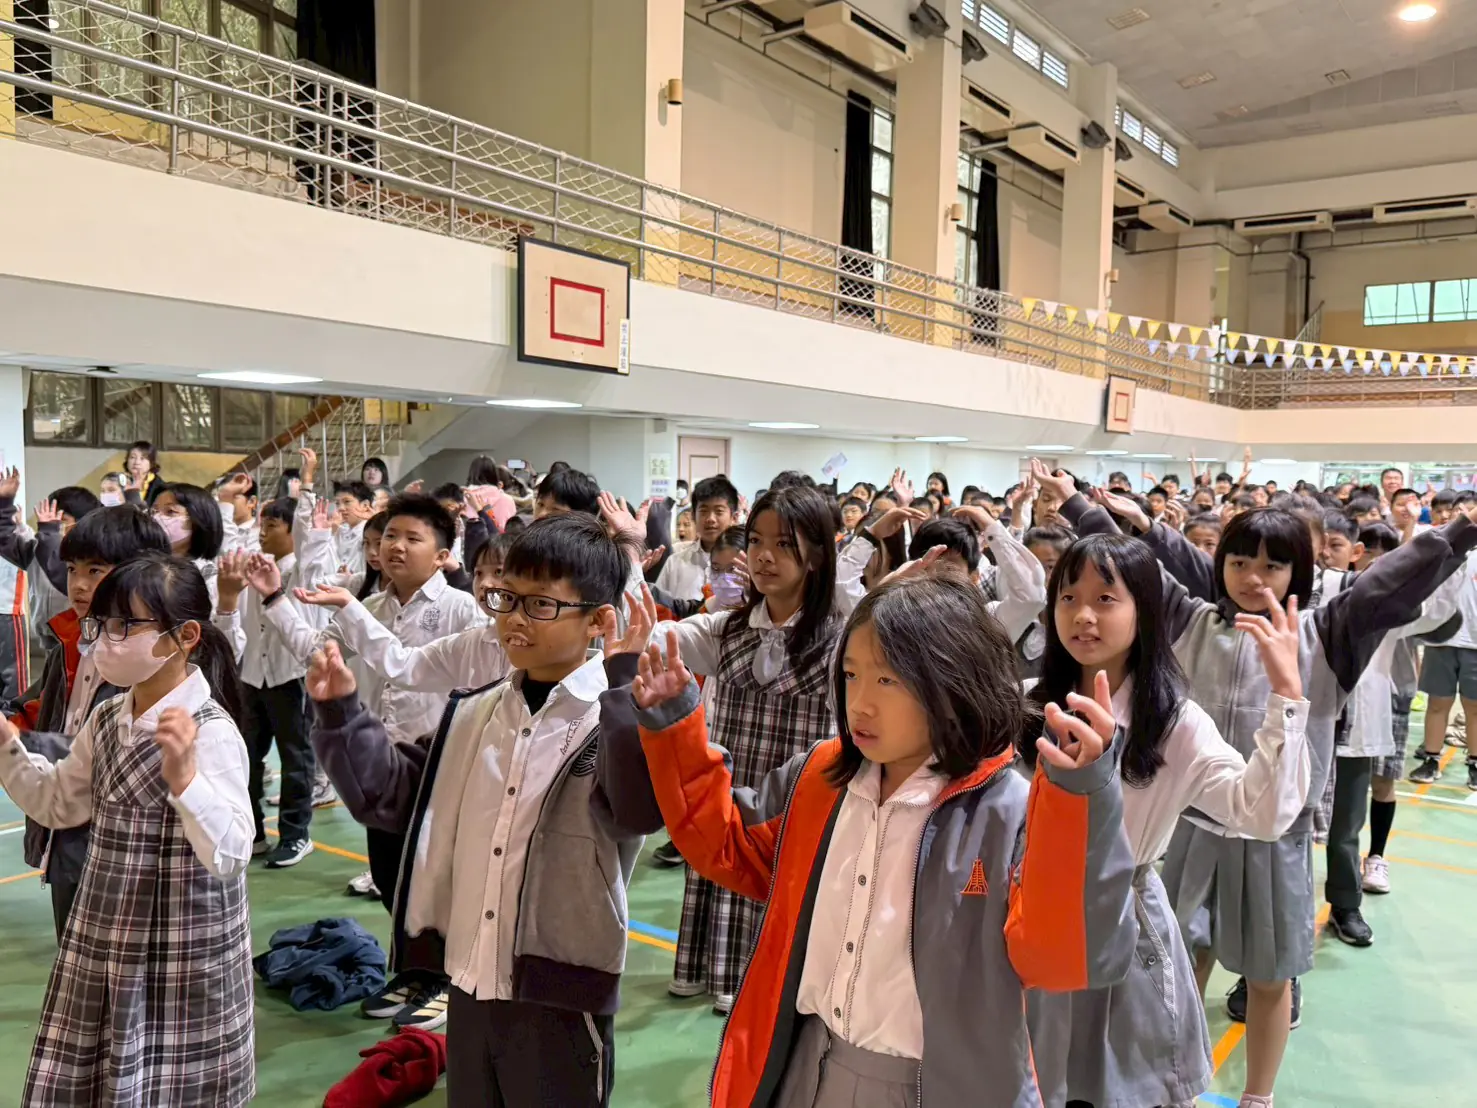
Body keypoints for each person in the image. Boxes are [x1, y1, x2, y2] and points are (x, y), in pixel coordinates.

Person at [612, 571, 1138, 1107]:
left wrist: (1080, 801)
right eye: (850, 674)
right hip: (805, 1064)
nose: (860, 702)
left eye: (888, 680)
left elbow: (1064, 957)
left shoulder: (1007, 812)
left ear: (953, 682)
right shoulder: (820, 777)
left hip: (934, 1089)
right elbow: (729, 843)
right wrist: (674, 725)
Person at [1063, 479, 1477, 1108]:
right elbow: (1133, 573)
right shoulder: (1191, 620)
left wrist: (1460, 532)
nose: (1253, 578)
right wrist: (1082, 507)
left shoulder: (1327, 631)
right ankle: (1175, 1079)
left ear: (1297, 572)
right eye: (1238, 562)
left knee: (1268, 974)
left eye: (1272, 566)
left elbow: (1387, 583)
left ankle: (1259, 1095)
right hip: (1192, 822)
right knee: (1178, 958)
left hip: (1276, 832)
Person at [306, 513, 662, 1108]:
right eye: (506, 598)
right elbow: (388, 796)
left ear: (599, 621)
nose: (514, 618)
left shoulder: (613, 719)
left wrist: (624, 684)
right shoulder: (474, 713)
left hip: (560, 993)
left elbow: (636, 810)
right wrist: (342, 715)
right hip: (468, 975)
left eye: (541, 604)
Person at [1025, 533, 1310, 1108]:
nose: (1083, 615)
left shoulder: (1173, 722)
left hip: (1123, 929)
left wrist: (1286, 694)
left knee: (1123, 1089)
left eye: (1106, 599)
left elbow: (1259, 813)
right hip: (1028, 918)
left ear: (1145, 611)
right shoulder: (1027, 703)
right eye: (1068, 597)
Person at [0, 554, 254, 1106]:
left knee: (170, 1080)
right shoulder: (107, 718)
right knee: (102, 1071)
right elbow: (58, 802)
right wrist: (8, 749)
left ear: (184, 636)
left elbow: (232, 853)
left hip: (183, 940)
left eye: (124, 625)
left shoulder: (210, 732)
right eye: (100, 625)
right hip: (107, 924)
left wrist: (187, 782)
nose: (105, 640)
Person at [650, 485, 881, 1015]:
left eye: (784, 544)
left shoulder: (840, 641)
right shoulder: (727, 628)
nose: (764, 556)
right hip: (731, 794)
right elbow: (660, 641)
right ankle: (716, 973)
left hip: (797, 797)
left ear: (817, 555)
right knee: (726, 864)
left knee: (785, 884)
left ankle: (765, 986)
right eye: (756, 541)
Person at [260, 493, 484, 1028]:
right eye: (389, 537)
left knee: (438, 878)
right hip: (380, 765)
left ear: (443, 555)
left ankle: (451, 978)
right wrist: (273, 600)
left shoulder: (461, 610)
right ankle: (413, 970)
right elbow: (318, 653)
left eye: (413, 538)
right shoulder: (370, 607)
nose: (395, 546)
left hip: (440, 763)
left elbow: (459, 680)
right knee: (389, 874)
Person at [6, 505, 172, 938]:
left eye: (95, 570)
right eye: (71, 569)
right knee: (73, 950)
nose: (78, 584)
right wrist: (11, 723)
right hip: (68, 828)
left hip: (123, 840)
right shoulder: (71, 641)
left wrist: (19, 745)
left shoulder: (150, 662)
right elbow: (42, 707)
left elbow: (117, 752)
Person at [1324, 522, 1462, 943]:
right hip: (1298, 728)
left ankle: (1345, 904)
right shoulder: (1297, 593)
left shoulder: (1377, 602)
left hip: (1354, 731)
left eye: (1334, 544)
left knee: (1346, 827)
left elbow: (1436, 613)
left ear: (1355, 551)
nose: (1325, 551)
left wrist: (1456, 553)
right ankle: (1272, 913)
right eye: (1319, 543)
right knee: (1282, 829)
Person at [214, 497, 336, 869]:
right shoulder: (255, 566)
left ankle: (296, 834)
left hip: (290, 676)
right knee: (246, 758)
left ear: (293, 531)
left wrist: (314, 530)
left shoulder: (300, 571)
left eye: (273, 526)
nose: (264, 532)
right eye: (262, 525)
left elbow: (313, 565)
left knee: (296, 759)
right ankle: (253, 831)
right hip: (253, 675)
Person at [1408, 509, 1477, 791]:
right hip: (1441, 640)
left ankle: (1474, 763)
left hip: (1474, 643)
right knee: (1437, 704)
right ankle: (1431, 759)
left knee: (1475, 709)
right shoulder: (1442, 551)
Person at [656, 475, 739, 601]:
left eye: (719, 511)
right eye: (704, 511)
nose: (710, 519)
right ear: (694, 516)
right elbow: (658, 606)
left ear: (734, 518)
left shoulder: (744, 564)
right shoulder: (674, 563)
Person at [124, 440, 164, 505]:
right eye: (132, 457)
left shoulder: (160, 487)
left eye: (142, 458)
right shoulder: (118, 480)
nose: (137, 462)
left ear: (151, 463)